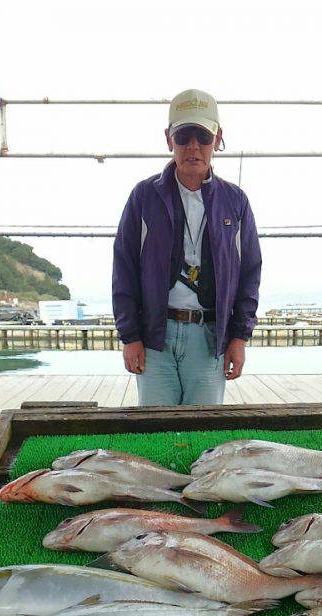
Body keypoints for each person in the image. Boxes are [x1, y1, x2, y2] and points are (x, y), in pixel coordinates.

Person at [112, 88, 262, 406]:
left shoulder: (236, 202)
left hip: (210, 340)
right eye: (184, 136)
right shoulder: (143, 197)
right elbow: (123, 268)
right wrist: (130, 336)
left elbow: (250, 272)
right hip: (155, 338)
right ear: (169, 139)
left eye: (203, 137)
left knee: (204, 434)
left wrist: (238, 336)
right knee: (155, 431)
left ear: (217, 138)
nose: (193, 147)